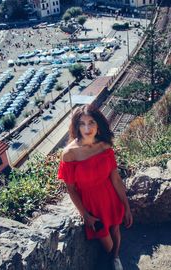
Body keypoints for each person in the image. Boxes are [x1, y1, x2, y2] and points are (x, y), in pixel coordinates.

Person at [57, 105, 132, 270]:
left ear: (98, 125)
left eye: (91, 122)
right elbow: (71, 189)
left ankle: (115, 259)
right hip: (91, 204)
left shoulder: (104, 146)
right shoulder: (69, 154)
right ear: (76, 127)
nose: (87, 128)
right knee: (106, 239)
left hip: (110, 196)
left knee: (115, 230)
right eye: (82, 123)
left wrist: (126, 206)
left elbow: (116, 179)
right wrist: (85, 215)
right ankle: (113, 257)